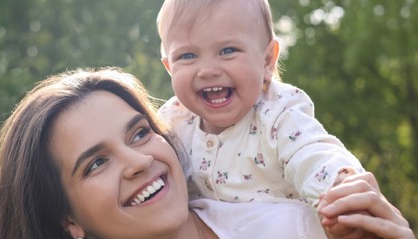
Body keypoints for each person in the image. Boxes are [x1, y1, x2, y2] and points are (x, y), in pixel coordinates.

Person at [0, 67, 417, 239]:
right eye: (96, 163)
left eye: (140, 133)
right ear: (68, 218)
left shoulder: (302, 237)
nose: (138, 161)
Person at [156, 0, 366, 207]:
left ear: (266, 61)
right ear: (170, 67)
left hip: (286, 237)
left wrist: (340, 186)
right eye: (188, 55)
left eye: (228, 51)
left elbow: (312, 152)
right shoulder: (173, 121)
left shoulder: (279, 112)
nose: (208, 70)